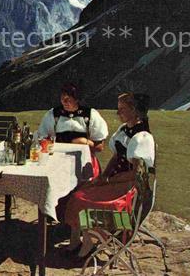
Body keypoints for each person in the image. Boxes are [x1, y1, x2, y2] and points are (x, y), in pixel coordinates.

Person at [63, 92, 155, 256]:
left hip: (128, 190)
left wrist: (109, 180)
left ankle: (88, 245)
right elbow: (116, 157)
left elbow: (136, 175)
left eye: (122, 109)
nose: (118, 113)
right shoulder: (124, 130)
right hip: (117, 181)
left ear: (134, 110)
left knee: (82, 199)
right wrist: (103, 177)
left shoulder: (142, 137)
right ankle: (76, 241)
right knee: (79, 193)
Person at [37, 83, 108, 178]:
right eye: (62, 98)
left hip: (84, 162)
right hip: (58, 162)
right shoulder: (53, 115)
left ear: (77, 99)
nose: (65, 102)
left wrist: (85, 142)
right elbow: (42, 139)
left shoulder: (90, 115)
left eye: (68, 99)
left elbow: (99, 147)